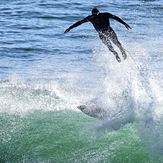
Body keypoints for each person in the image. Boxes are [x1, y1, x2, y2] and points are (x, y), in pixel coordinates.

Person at [64, 7, 132, 62]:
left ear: (93, 13)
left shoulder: (91, 17)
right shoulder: (105, 14)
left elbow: (80, 22)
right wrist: (125, 24)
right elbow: (116, 17)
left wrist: (70, 28)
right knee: (115, 43)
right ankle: (121, 51)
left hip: (101, 33)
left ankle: (116, 53)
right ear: (98, 12)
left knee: (109, 45)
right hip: (108, 30)